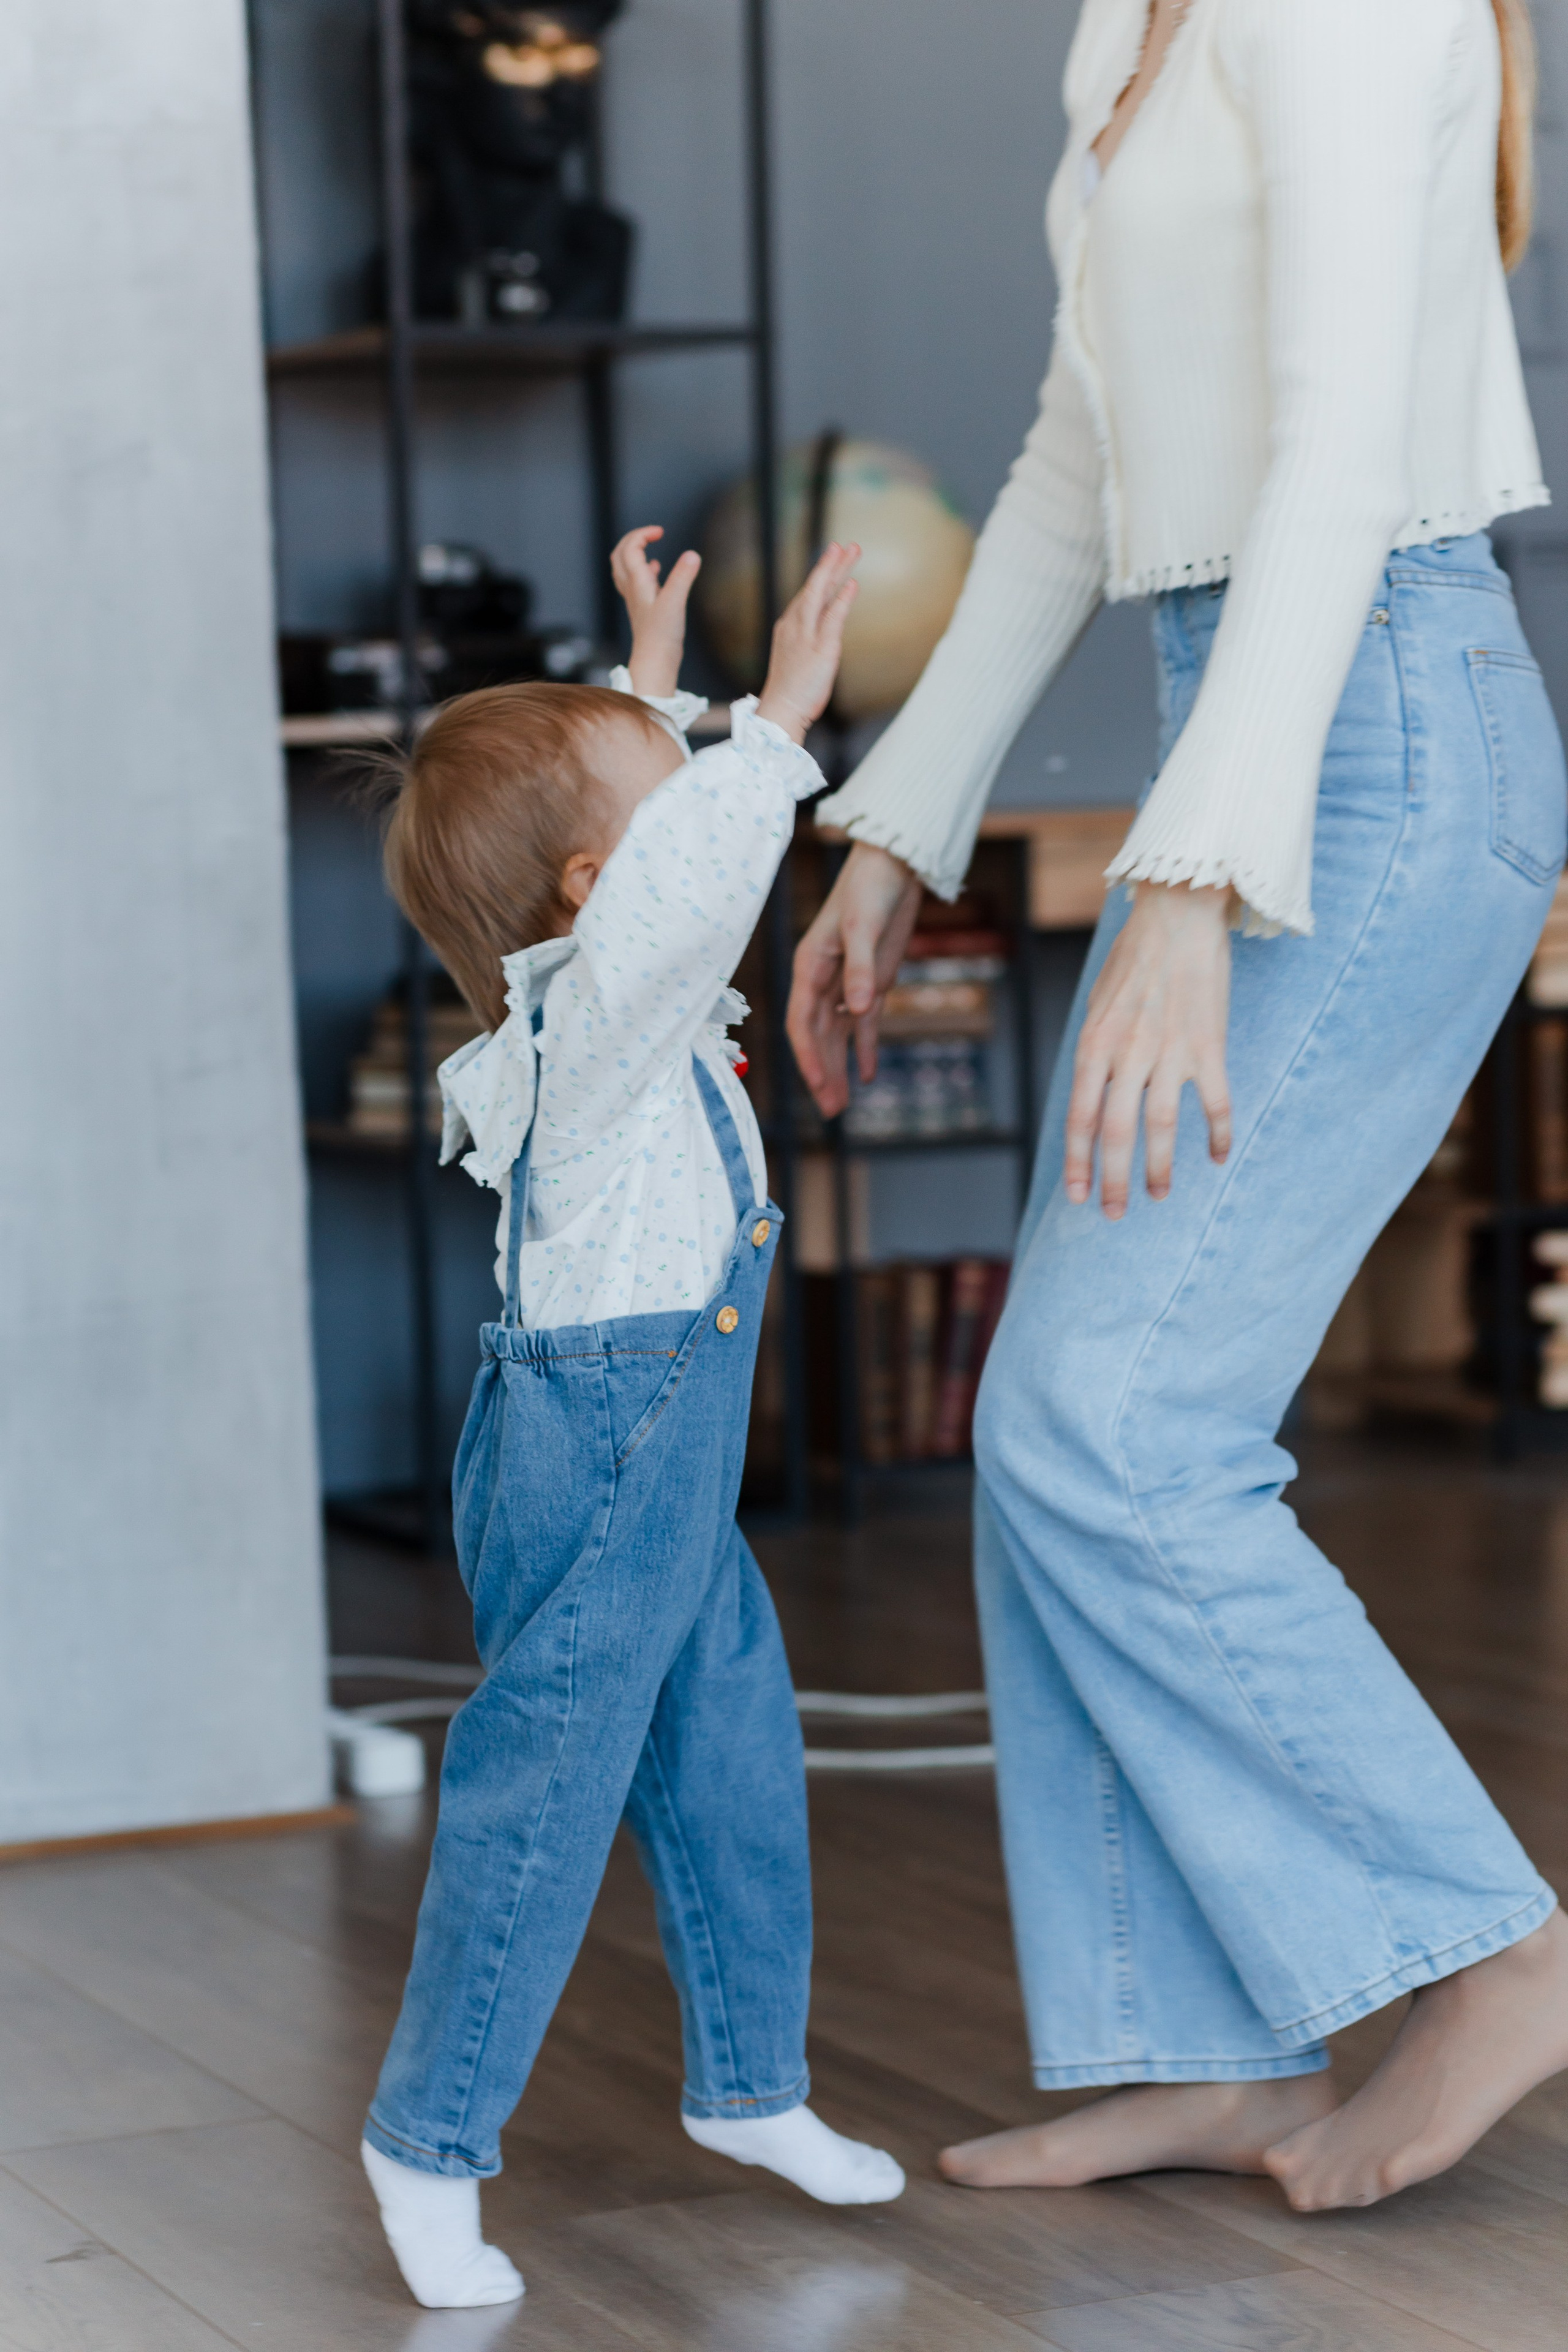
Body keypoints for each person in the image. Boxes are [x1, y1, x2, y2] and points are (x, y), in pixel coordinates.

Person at [788, 0, 1568, 2214]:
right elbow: (1074, 454)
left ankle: (1496, 1949)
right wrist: (894, 837)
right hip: (1260, 702)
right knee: (1064, 1414)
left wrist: (1193, 876)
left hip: (1383, 736)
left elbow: (1334, 449)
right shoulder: (1140, 25)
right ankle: (1203, 2044)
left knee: (1114, 1424)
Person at [361, 529, 905, 2312]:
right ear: (602, 887)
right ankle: (428, 2140)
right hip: (594, 1454)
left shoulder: (592, 967)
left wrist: (647, 681)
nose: (694, 786)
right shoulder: (598, 1020)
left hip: (655, 1454)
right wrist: (777, 732)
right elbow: (680, 881)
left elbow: (624, 849)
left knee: (734, 1760)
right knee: (545, 1791)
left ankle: (754, 2086)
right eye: (662, 783)